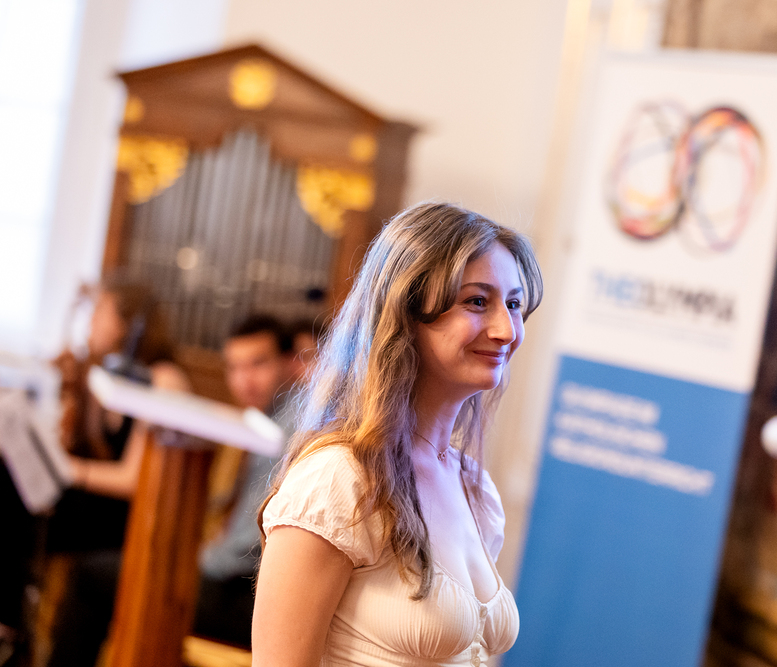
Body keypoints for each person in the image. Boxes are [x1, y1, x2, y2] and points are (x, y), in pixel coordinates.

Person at [252, 202, 542, 667]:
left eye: (513, 304)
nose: (506, 330)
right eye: (476, 302)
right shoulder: (338, 480)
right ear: (404, 312)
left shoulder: (475, 489)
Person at [45, 278, 188, 667]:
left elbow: (133, 480)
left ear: (127, 324)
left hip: (135, 520)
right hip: (101, 508)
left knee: (31, 512)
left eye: (98, 312)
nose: (91, 321)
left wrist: (67, 469)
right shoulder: (108, 372)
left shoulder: (163, 379)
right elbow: (92, 449)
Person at [194, 315, 295, 647]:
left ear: (288, 362)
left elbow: (252, 542)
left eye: (258, 364)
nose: (244, 380)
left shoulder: (289, 427)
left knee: (95, 579)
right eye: (234, 367)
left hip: (254, 596)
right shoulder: (260, 419)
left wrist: (196, 563)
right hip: (241, 582)